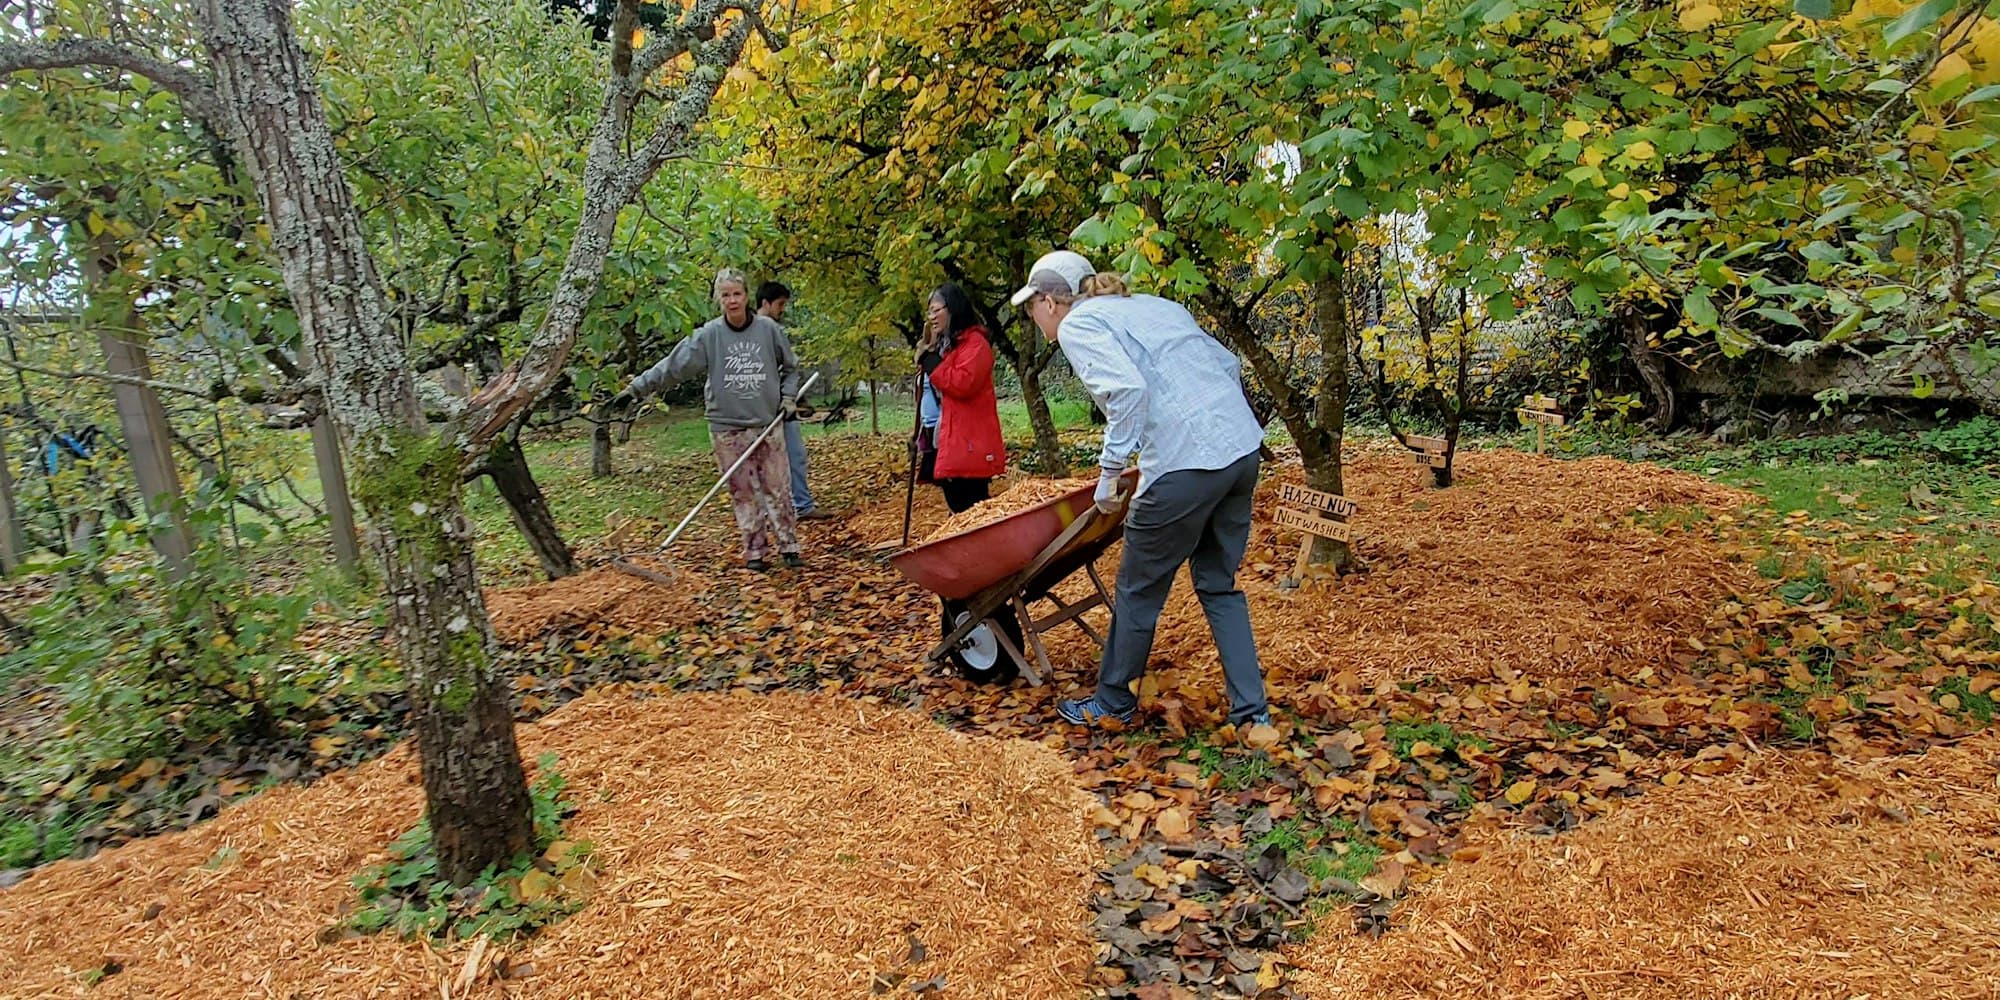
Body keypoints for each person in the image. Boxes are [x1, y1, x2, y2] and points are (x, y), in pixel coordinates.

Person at [1010, 250, 1272, 729]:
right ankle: (1253, 715)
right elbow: (1226, 364)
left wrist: (1111, 472)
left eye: (1032, 306)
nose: (1033, 317)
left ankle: (1112, 703)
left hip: (1185, 464)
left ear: (1050, 301)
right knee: (1218, 585)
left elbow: (1128, 392)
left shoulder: (1078, 325)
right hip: (1240, 452)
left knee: (1137, 589)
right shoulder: (1153, 306)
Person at [614, 268, 803, 572]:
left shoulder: (769, 331)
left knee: (778, 487)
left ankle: (789, 546)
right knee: (742, 492)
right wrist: (636, 388)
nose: (732, 301)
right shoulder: (709, 335)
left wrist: (788, 397)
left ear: (746, 296)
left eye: (737, 294)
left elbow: (791, 368)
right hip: (727, 427)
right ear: (718, 299)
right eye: (725, 295)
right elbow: (672, 366)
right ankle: (755, 552)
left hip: (766, 423)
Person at [918, 283, 1005, 513]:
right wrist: (931, 352)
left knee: (970, 508)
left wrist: (930, 361)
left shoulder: (976, 345)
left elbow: (961, 384)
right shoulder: (951, 346)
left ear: (953, 308)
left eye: (936, 310)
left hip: (970, 444)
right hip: (955, 440)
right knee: (960, 507)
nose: (932, 317)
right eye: (930, 312)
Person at [756, 281, 835, 521]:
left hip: (782, 407)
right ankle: (768, 512)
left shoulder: (775, 331)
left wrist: (789, 398)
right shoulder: (754, 331)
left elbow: (789, 367)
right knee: (762, 464)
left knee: (795, 456)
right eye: (779, 305)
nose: (782, 310)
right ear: (765, 303)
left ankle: (802, 505)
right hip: (759, 411)